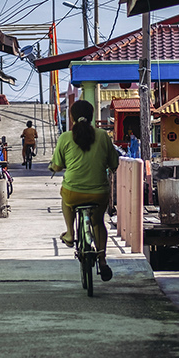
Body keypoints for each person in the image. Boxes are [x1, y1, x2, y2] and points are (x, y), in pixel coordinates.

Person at [49, 99, 119, 281]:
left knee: (65, 198)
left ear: (71, 118)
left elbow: (57, 166)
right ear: (92, 116)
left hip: (74, 192)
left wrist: (54, 167)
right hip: (99, 194)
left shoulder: (65, 137)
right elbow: (114, 164)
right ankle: (102, 260)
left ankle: (70, 233)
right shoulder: (103, 136)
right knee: (98, 223)